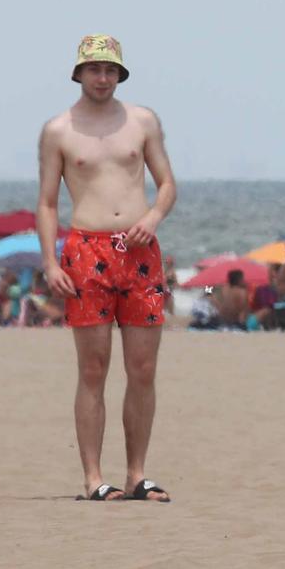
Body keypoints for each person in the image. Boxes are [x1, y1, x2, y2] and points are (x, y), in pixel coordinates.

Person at [37, 35, 177, 503]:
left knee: (143, 367)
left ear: (120, 74)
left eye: (110, 70)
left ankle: (137, 473)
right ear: (79, 73)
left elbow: (167, 184)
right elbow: (46, 202)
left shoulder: (142, 121)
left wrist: (153, 217)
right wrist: (50, 261)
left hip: (139, 251)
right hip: (85, 251)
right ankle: (94, 477)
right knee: (93, 369)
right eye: (94, 69)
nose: (102, 78)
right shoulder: (59, 129)